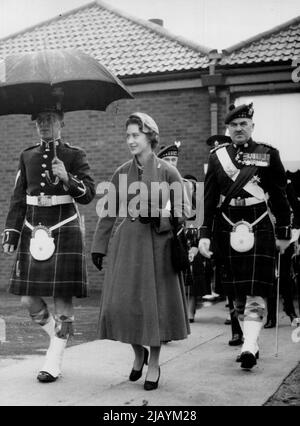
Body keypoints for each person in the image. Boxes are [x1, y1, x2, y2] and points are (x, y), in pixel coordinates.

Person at [91, 112, 190, 390]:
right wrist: (99, 247)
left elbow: (185, 212)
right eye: (128, 136)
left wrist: (158, 216)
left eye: (136, 135)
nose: (130, 140)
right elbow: (108, 212)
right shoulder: (122, 172)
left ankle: (154, 364)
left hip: (159, 247)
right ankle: (138, 352)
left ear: (150, 137)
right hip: (128, 245)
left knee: (154, 309)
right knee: (118, 306)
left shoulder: (169, 172)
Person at [2, 106, 95, 382]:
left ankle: (53, 359)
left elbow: (88, 194)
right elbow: (18, 199)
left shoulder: (74, 155)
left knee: (62, 298)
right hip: (33, 228)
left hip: (64, 227)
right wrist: (12, 233)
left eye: (50, 120)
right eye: (40, 121)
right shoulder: (26, 156)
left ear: (61, 123)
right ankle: (60, 334)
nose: (44, 125)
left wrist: (67, 178)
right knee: (28, 298)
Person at [199, 102, 291, 370]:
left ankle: (249, 345)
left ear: (252, 126)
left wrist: (284, 230)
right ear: (228, 128)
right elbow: (207, 200)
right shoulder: (218, 158)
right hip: (227, 226)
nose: (239, 129)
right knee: (236, 293)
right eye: (234, 125)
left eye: (243, 124)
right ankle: (250, 340)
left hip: (259, 223)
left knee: (255, 290)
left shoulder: (267, 154)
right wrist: (204, 234)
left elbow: (279, 194)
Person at [157, 144, 211, 322]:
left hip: (181, 237)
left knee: (185, 279)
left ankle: (183, 314)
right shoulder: (152, 184)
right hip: (158, 236)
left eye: (174, 160)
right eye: (167, 160)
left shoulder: (186, 185)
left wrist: (194, 244)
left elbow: (196, 214)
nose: (171, 163)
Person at [264, 171, 300, 328]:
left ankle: (290, 311)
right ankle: (271, 316)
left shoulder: (286, 186)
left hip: (285, 235)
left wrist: (295, 232)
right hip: (266, 235)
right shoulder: (262, 186)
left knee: (285, 276)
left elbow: (296, 210)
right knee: (270, 277)